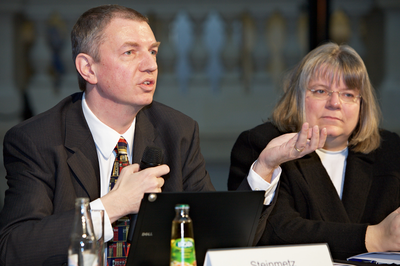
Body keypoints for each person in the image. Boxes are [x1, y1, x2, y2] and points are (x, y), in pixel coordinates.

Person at [0, 5, 216, 266]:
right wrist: (113, 206)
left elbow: (212, 233)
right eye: (130, 52)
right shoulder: (37, 140)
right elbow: (15, 249)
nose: (150, 65)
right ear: (88, 68)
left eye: (153, 51)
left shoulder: (179, 131)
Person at [228, 42, 400, 260]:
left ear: (362, 105)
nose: (335, 103)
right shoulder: (262, 143)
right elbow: (273, 232)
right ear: (297, 97)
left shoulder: (389, 148)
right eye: (320, 91)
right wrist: (374, 237)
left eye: (348, 94)